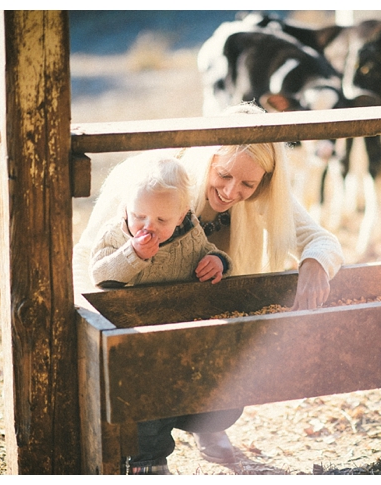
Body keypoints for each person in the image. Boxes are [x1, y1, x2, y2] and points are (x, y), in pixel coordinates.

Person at [72, 102, 344, 474]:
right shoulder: (159, 185)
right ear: (209, 159)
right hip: (142, 311)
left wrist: (314, 264)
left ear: (263, 181)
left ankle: (206, 424)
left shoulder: (263, 195)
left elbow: (321, 239)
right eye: (225, 175)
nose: (233, 191)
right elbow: (90, 254)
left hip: (206, 311)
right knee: (146, 385)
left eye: (248, 183)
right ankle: (149, 457)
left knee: (226, 402)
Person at [88, 156, 231, 288]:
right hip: (128, 311)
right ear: (126, 208)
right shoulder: (114, 234)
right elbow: (99, 278)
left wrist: (218, 262)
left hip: (181, 310)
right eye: (139, 216)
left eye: (162, 220)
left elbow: (207, 252)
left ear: (180, 217)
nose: (149, 227)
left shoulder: (190, 234)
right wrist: (134, 254)